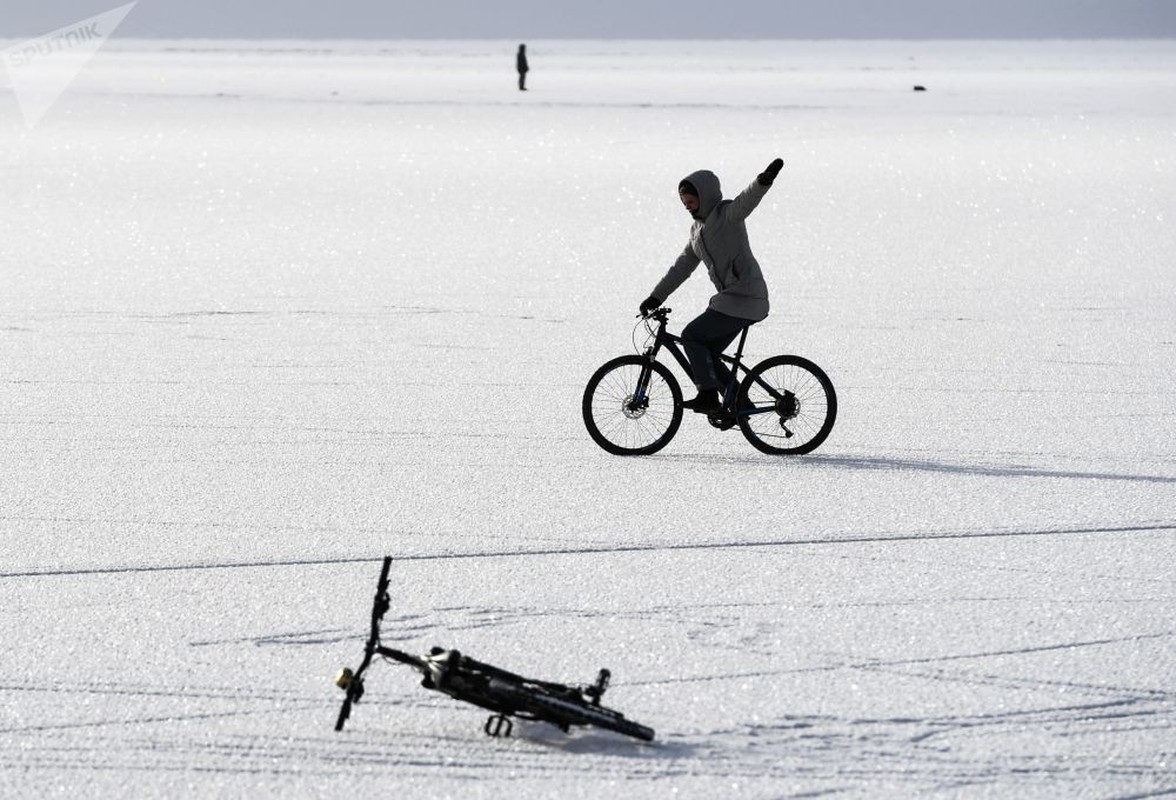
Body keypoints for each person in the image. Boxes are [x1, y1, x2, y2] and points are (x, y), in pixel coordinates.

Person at [639, 158, 784, 414]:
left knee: (692, 336)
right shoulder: (697, 231)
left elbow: (746, 200)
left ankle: (708, 395)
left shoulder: (727, 215)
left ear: (704, 197)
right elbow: (681, 267)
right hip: (732, 300)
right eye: (684, 203)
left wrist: (763, 181)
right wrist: (655, 298)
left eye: (691, 201)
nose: (687, 206)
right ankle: (738, 399)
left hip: (747, 297)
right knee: (706, 352)